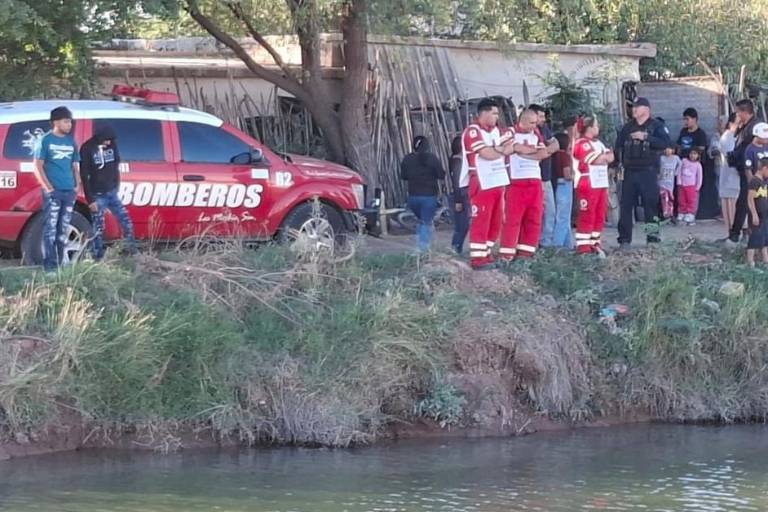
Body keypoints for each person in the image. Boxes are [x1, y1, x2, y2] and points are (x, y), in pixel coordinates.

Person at [459, 98, 521, 270]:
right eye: (493, 113)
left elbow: (510, 145)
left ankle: (485, 254)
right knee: (481, 220)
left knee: (496, 221)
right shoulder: (473, 131)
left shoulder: (496, 131)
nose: (496, 117)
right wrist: (501, 150)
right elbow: (487, 154)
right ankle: (477, 259)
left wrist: (500, 149)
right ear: (483, 113)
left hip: (498, 182)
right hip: (482, 182)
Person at [614, 97, 671, 249]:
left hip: (648, 172)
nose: (634, 110)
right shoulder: (627, 128)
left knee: (650, 206)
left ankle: (652, 239)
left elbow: (665, 143)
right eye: (633, 107)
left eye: (637, 107)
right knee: (626, 206)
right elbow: (618, 147)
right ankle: (624, 240)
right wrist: (614, 166)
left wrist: (646, 137)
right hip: (629, 172)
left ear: (646, 109)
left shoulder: (656, 126)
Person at [499, 109, 551, 261]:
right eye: (532, 122)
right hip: (515, 181)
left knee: (534, 219)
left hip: (534, 181)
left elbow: (543, 154)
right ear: (523, 120)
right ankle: (507, 255)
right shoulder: (510, 132)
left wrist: (523, 152)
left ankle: (526, 255)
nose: (535, 126)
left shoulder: (536, 134)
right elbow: (511, 148)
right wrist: (528, 151)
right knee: (512, 220)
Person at [33, 106, 80, 272]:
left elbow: (75, 165)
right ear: (56, 122)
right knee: (50, 230)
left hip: (69, 192)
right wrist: (49, 188)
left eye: (70, 121)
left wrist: (77, 185)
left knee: (63, 230)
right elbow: (37, 166)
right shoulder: (45, 140)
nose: (69, 125)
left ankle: (61, 264)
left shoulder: (70, 141)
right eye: (66, 121)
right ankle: (50, 267)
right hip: (53, 192)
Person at [80, 126, 137, 261]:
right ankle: (97, 255)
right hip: (97, 194)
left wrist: (116, 185)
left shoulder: (112, 144)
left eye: (111, 140)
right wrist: (90, 199)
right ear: (99, 137)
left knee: (126, 221)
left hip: (111, 192)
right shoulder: (87, 148)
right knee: (98, 227)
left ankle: (132, 251)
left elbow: (116, 164)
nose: (109, 143)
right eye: (106, 140)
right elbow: (84, 175)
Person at [572, 116, 615, 256]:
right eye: (596, 125)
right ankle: (583, 247)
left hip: (601, 183)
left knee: (599, 215)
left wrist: (605, 157)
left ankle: (595, 243)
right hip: (588, 183)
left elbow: (610, 157)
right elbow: (596, 160)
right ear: (589, 127)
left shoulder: (598, 143)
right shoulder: (581, 143)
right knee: (587, 214)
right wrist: (604, 157)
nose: (598, 127)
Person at [400, 135, 446, 253]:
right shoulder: (432, 158)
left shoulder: (407, 159)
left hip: (413, 197)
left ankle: (426, 245)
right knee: (425, 222)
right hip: (428, 197)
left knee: (422, 221)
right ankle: (422, 250)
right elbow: (441, 175)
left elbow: (404, 176)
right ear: (427, 146)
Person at [727, 99, 760, 244]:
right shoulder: (745, 126)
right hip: (743, 169)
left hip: (753, 171)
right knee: (743, 202)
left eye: (738, 112)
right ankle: (738, 233)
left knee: (746, 202)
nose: (737, 115)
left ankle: (737, 235)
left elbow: (750, 148)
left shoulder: (757, 126)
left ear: (744, 112)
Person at [529, 104, 559, 247]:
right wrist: (546, 150)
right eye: (540, 116)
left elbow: (556, 144)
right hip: (535, 178)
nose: (543, 119)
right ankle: (535, 242)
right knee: (537, 213)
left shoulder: (544, 129)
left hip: (546, 177)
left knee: (550, 212)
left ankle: (545, 243)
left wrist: (545, 151)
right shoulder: (528, 132)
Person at [715, 114, 740, 237]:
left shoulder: (739, 136)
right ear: (731, 124)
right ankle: (733, 233)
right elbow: (732, 157)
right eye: (738, 122)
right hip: (730, 177)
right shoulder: (727, 137)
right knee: (731, 207)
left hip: (736, 179)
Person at [552, 131, 574, 248]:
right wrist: (573, 176)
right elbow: (567, 174)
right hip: (564, 184)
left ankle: (568, 244)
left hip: (557, 184)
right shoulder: (564, 156)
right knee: (564, 216)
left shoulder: (554, 155)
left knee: (562, 215)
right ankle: (558, 244)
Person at [448, 135, 469, 254]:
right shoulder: (458, 160)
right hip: (460, 195)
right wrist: (458, 200)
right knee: (462, 225)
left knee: (463, 225)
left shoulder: (458, 159)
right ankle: (455, 249)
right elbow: (456, 182)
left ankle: (457, 249)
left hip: (461, 194)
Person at [746, 158, 768, 267]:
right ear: (764, 168)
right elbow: (750, 199)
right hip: (757, 215)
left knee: (764, 238)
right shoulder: (754, 181)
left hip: (764, 216)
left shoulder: (764, 182)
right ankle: (750, 262)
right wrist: (754, 214)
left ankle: (765, 260)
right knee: (754, 238)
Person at [676, 148, 703, 225]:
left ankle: (690, 213)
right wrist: (679, 182)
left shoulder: (698, 165)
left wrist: (698, 187)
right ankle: (682, 212)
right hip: (682, 185)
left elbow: (699, 177)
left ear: (698, 155)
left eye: (695, 154)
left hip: (692, 186)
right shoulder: (684, 161)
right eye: (691, 153)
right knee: (681, 199)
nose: (692, 155)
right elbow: (679, 171)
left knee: (691, 200)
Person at [658, 147, 681, 221]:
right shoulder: (661, 158)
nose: (668, 151)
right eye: (666, 149)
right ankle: (665, 214)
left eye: (669, 149)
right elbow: (657, 166)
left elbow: (680, 165)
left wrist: (676, 173)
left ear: (673, 150)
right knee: (664, 198)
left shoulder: (676, 158)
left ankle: (671, 213)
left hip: (670, 182)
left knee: (671, 198)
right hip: (662, 182)